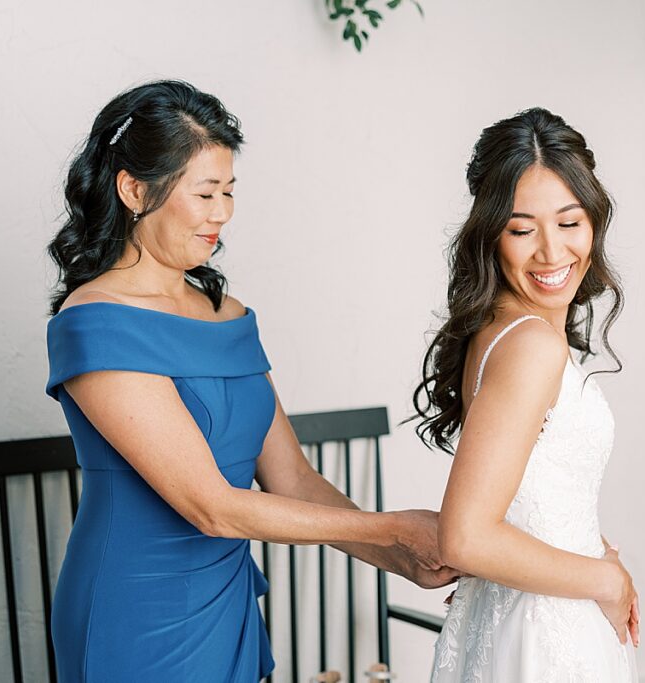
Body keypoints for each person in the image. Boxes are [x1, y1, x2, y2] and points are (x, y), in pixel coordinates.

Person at [44, 79, 457, 683]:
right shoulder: (94, 324)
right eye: (205, 192)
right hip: (134, 611)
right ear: (134, 190)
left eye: (229, 191)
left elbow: (293, 479)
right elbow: (211, 507)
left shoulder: (228, 315)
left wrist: (397, 558)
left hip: (224, 598)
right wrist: (394, 527)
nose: (222, 213)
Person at [412, 108, 640, 681]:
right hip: (548, 633)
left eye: (569, 222)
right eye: (522, 229)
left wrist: (595, 545)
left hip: (526, 611)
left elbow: (533, 489)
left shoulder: (498, 328)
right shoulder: (531, 344)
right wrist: (606, 579)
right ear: (491, 233)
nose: (551, 253)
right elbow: (464, 536)